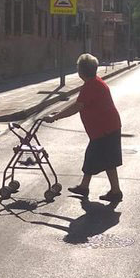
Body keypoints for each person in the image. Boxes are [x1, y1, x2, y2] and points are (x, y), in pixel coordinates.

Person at [44, 52, 123, 204]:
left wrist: (55, 117)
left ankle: (112, 191)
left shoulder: (91, 86)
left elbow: (77, 107)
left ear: (81, 71)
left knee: (104, 160)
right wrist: (58, 112)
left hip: (104, 130)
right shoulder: (94, 83)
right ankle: (90, 187)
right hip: (107, 128)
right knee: (100, 159)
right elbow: (78, 103)